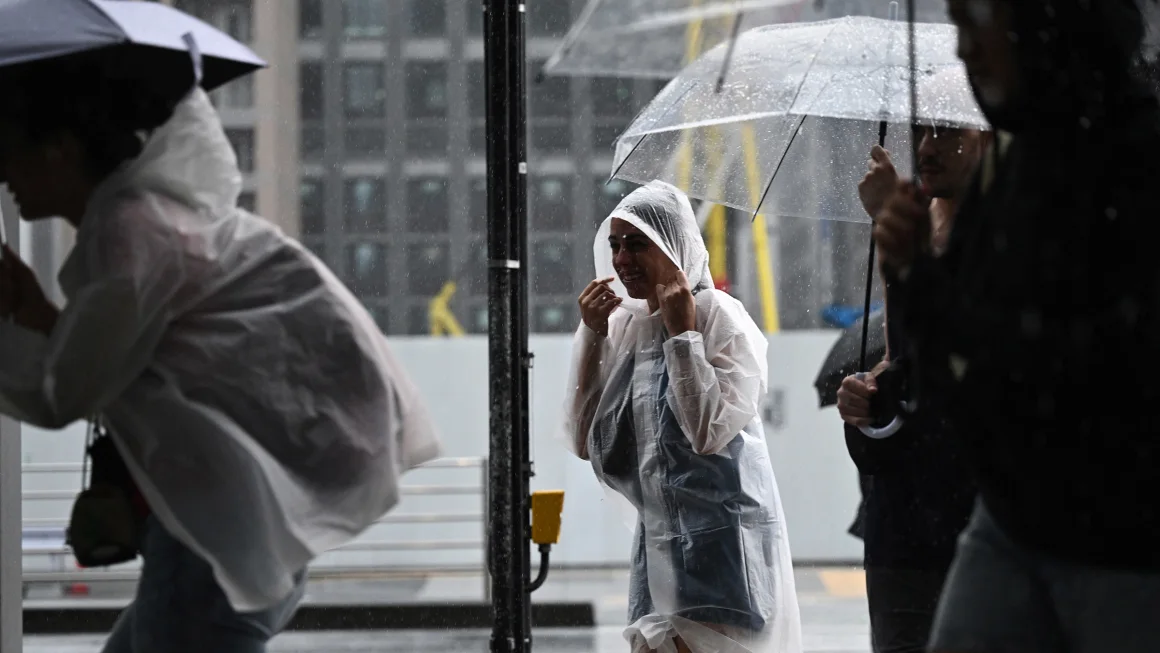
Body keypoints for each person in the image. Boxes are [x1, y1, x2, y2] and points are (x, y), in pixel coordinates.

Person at [0, 58, 440, 652]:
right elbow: (126, 362)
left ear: (58, 149)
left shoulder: (131, 231)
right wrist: (32, 313)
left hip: (212, 536)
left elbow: (65, 390)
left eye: (10, 146)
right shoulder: (153, 221)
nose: (4, 172)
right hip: (232, 526)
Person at [873, 1, 1160, 651]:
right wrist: (912, 273)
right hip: (1011, 519)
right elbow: (953, 363)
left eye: (978, 22)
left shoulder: (1137, 161)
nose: (966, 49)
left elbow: (1083, 359)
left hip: (1126, 540)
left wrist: (930, 288)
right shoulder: (1012, 163)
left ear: (1045, 21)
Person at [563, 180, 801, 653]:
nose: (622, 260)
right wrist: (593, 337)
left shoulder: (719, 317)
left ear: (674, 247)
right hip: (657, 550)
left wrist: (682, 335)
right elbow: (585, 439)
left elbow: (706, 430)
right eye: (615, 245)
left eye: (637, 244)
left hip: (725, 553)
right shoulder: (627, 328)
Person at [837, 122, 989, 653]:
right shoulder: (915, 224)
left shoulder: (1002, 233)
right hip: (902, 521)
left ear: (988, 140)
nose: (926, 148)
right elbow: (903, 354)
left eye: (948, 134)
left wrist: (889, 221)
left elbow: (965, 354)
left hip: (978, 515)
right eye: (921, 132)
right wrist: (866, 389)